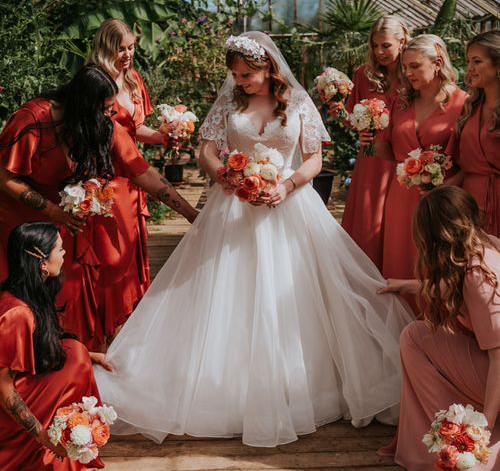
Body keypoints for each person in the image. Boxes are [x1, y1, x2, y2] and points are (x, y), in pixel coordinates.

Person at [94, 31, 413, 447]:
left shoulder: (297, 102)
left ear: (267, 68)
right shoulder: (229, 102)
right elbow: (207, 150)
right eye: (236, 75)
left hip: (290, 204)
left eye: (246, 75)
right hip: (234, 206)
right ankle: (221, 386)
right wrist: (226, 175)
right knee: (227, 293)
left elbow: (316, 158)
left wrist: (288, 184)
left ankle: (302, 386)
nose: (239, 81)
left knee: (292, 293)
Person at [0, 65, 198, 350]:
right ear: (83, 105)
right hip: (22, 222)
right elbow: (4, 177)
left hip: (66, 221)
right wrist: (52, 211)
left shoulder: (102, 125)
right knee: (30, 294)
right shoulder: (33, 119)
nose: (112, 114)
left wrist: (190, 213)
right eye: (106, 109)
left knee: (72, 289)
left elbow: (143, 173)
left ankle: (75, 357)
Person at [377, 186, 500, 470]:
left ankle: (457, 435)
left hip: (496, 373)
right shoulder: (487, 245)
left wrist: (484, 427)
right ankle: (449, 427)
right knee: (417, 333)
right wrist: (406, 285)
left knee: (415, 338)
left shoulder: (477, 278)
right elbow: (450, 288)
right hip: (489, 367)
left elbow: (498, 358)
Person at [0, 222, 111, 471]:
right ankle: (44, 446)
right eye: (60, 249)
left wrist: (90, 354)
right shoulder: (18, 314)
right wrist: (43, 437)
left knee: (75, 350)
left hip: (20, 386)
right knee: (75, 359)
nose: (64, 254)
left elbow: (43, 342)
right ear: (42, 262)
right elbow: (3, 386)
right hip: (5, 408)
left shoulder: (25, 293)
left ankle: (71, 434)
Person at [375, 34, 467, 311]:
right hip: (401, 199)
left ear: (437, 63)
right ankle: (400, 336)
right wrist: (373, 132)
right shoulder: (400, 103)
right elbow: (387, 152)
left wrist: (443, 184)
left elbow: (469, 161)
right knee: (400, 261)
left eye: (414, 66)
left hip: (444, 201)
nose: (407, 73)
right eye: (405, 67)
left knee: (437, 264)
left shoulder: (463, 103)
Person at [88, 19, 167, 341]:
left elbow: (134, 132)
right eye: (120, 48)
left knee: (132, 253)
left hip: (134, 176)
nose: (127, 54)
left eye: (131, 47)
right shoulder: (95, 82)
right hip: (107, 178)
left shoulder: (133, 80)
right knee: (112, 261)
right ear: (106, 48)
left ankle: (129, 332)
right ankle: (107, 330)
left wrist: (164, 136)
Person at [341, 14, 410, 269]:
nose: (379, 51)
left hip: (404, 156)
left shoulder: (413, 72)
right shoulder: (363, 74)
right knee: (369, 223)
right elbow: (352, 116)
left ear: (402, 41)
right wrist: (355, 126)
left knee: (398, 224)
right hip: (372, 159)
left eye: (386, 45)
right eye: (374, 45)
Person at [447, 29, 500, 236]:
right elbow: (466, 163)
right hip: (470, 204)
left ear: (498, 66)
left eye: (477, 62)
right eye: (468, 61)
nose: (469, 68)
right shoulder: (470, 107)